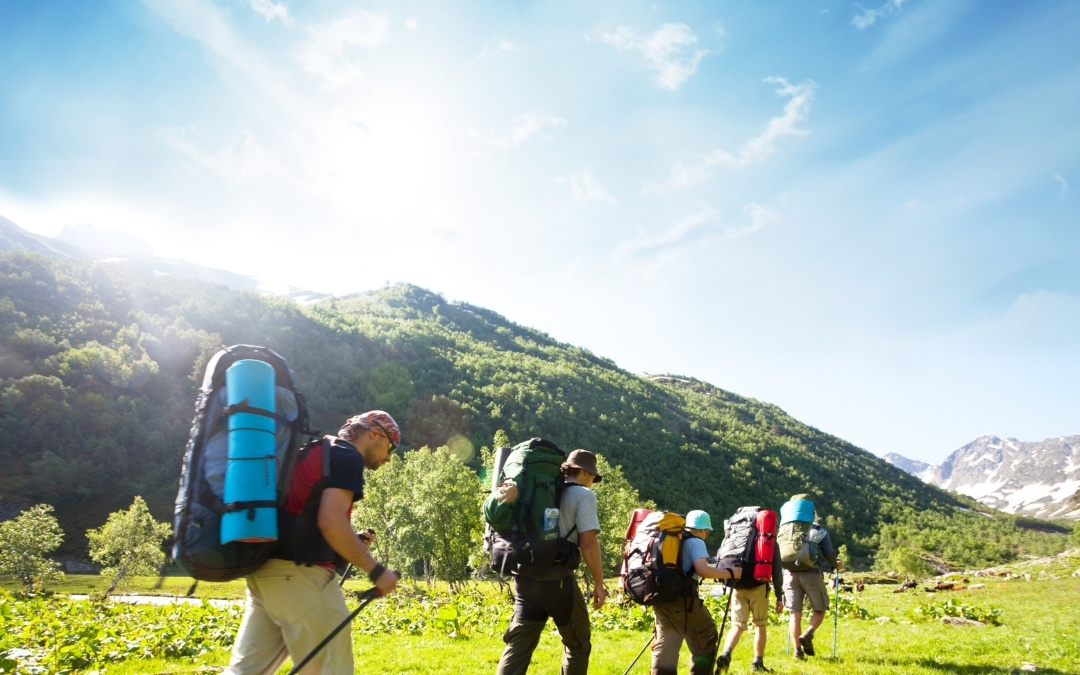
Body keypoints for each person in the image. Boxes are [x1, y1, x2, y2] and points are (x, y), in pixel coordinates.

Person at [224, 411, 402, 675]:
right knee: (332, 669)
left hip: (266, 573)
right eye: (391, 446)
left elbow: (302, 514)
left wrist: (351, 543)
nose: (388, 457)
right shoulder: (347, 456)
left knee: (246, 671)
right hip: (300, 577)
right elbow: (330, 521)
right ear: (374, 433)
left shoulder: (319, 449)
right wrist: (376, 571)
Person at [496, 449, 608, 675]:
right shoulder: (584, 495)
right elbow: (588, 542)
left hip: (525, 578)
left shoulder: (539, 490)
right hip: (558, 583)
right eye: (593, 477)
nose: (593, 482)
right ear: (585, 472)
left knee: (518, 646)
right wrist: (598, 582)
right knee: (577, 644)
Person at [650, 510, 741, 675]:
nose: (707, 534)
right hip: (682, 601)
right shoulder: (696, 542)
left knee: (666, 646)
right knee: (706, 642)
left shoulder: (673, 538)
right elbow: (703, 570)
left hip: (661, 598)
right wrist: (731, 573)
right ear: (703, 530)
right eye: (707, 531)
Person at [778, 494, 841, 660]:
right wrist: (836, 564)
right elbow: (829, 553)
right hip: (811, 573)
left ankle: (797, 652)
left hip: (790, 574)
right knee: (820, 609)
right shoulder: (817, 529)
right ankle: (808, 633)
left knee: (794, 614)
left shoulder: (784, 530)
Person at [715, 530, 783, 672]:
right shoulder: (768, 541)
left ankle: (726, 654)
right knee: (760, 624)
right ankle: (757, 663)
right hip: (759, 585)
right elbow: (776, 571)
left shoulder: (736, 536)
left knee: (737, 626)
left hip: (738, 585)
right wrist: (779, 597)